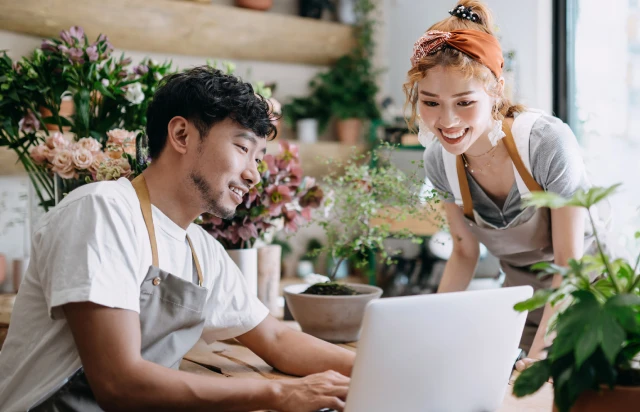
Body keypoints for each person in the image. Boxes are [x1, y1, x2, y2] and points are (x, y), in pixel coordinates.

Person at [0, 66, 354, 412]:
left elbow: (276, 340)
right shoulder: (103, 210)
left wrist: (373, 366)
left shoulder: (201, 250)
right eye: (243, 149)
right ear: (182, 135)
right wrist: (278, 394)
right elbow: (119, 384)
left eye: (259, 159)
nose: (253, 175)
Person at [403, 1, 604, 370]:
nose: (446, 122)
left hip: (590, 302)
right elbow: (464, 253)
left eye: (464, 102)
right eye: (431, 102)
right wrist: (428, 332)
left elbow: (569, 267)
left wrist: (539, 357)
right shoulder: (440, 161)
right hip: (526, 310)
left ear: (495, 90)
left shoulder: (545, 144)